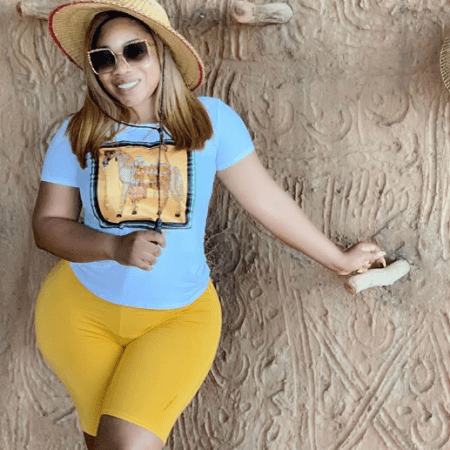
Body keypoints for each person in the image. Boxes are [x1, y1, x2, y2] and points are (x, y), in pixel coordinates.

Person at [32, 0, 386, 449]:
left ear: (161, 51)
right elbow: (47, 226)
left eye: (134, 51)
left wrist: (337, 259)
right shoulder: (76, 132)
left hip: (177, 319)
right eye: (104, 58)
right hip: (81, 316)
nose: (121, 69)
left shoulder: (210, 120)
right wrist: (113, 247)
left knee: (124, 444)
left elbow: (266, 202)